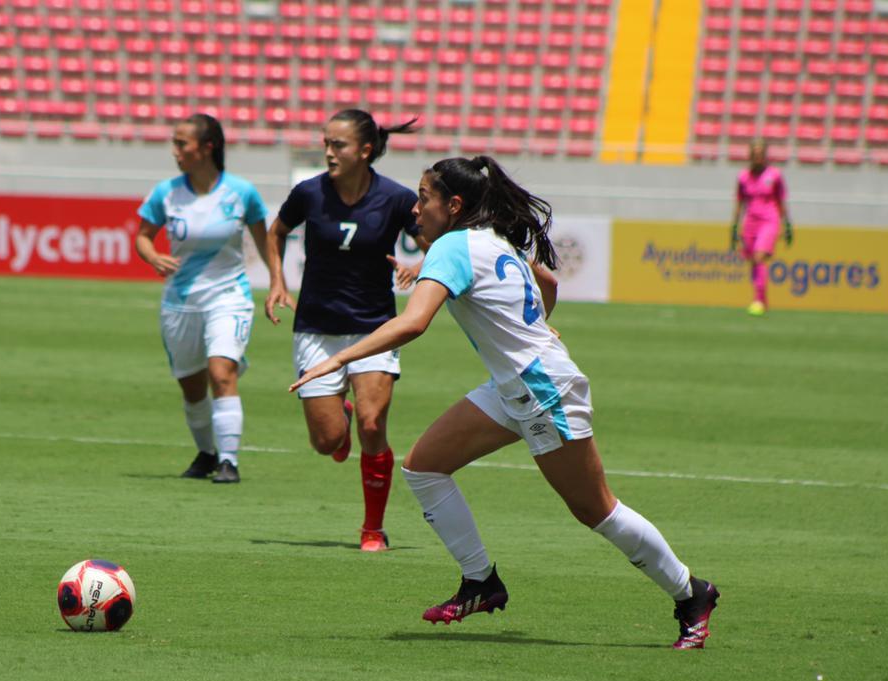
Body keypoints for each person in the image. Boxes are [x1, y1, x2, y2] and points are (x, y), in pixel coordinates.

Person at [290, 156, 719, 649]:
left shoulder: (452, 244)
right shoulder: (491, 238)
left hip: (539, 387)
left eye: (424, 197)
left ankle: (692, 593)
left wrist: (336, 360)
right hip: (518, 382)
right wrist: (537, 327)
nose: (414, 209)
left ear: (454, 205)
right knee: (425, 465)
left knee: (595, 509)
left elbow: (412, 323)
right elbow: (550, 284)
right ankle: (480, 582)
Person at [265, 109, 431, 552]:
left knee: (373, 423)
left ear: (365, 150)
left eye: (337, 145)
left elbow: (438, 239)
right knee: (327, 442)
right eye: (325, 143)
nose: (327, 152)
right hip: (316, 329)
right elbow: (276, 231)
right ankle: (340, 419)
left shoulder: (395, 199)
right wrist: (277, 282)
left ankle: (372, 529)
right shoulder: (309, 193)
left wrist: (419, 265)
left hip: (374, 327)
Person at [135, 114, 272, 484]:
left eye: (182, 143)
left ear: (207, 147)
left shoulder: (241, 192)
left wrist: (278, 282)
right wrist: (151, 256)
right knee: (191, 386)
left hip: (228, 295)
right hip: (180, 301)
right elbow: (143, 235)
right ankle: (207, 453)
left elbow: (265, 239)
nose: (175, 151)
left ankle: (229, 461)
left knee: (221, 372)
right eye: (175, 142)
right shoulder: (166, 192)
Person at [731, 140, 792, 317]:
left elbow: (781, 201)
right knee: (753, 261)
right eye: (754, 154)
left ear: (765, 156)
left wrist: (787, 225)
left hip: (769, 220)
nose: (758, 158)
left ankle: (758, 300)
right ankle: (762, 301)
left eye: (760, 154)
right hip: (750, 221)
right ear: (750, 156)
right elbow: (739, 203)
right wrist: (734, 227)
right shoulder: (743, 177)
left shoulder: (774, 175)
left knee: (759, 257)